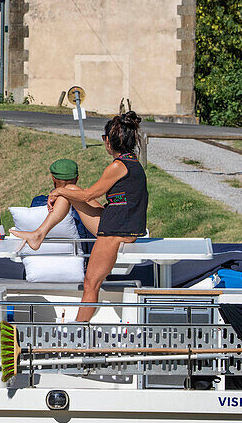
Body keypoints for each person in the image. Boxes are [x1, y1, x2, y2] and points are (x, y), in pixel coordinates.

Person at [10, 111, 148, 323]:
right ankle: (39, 235)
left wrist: (58, 191)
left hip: (115, 231)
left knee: (90, 283)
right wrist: (66, 191)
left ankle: (77, 330)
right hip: (119, 224)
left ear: (109, 141)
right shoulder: (132, 162)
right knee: (71, 188)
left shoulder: (117, 166)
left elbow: (88, 195)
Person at [29, 159, 90, 239]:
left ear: (53, 178)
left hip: (41, 250)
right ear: (77, 178)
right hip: (78, 250)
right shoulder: (85, 209)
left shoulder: (36, 203)